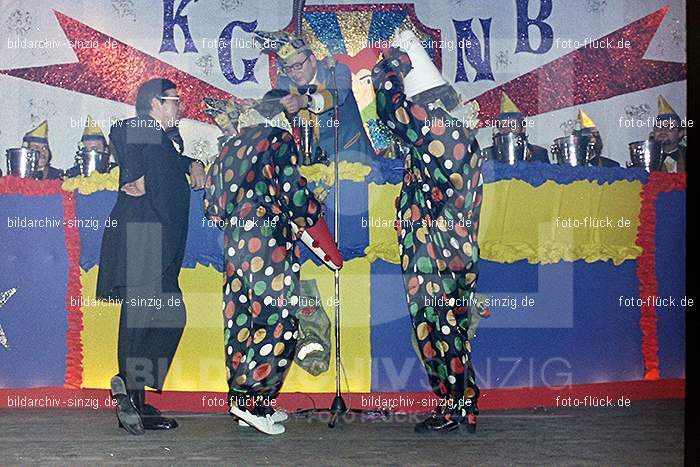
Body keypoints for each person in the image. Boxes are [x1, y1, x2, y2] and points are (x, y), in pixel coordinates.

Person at [203, 93, 342, 435]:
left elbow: (211, 207)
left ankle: (247, 400)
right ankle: (253, 401)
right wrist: (313, 209)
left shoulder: (230, 145)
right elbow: (294, 194)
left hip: (237, 243)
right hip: (268, 244)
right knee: (279, 321)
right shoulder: (278, 139)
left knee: (241, 320)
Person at [372, 31, 487, 434]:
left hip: (436, 254)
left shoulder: (438, 129)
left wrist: (392, 64)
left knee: (440, 329)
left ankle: (458, 407)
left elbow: (389, 109)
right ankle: (458, 403)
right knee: (443, 329)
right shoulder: (452, 134)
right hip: (444, 250)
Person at [96, 78, 206, 435]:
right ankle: (130, 393)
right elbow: (123, 134)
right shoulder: (140, 128)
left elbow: (167, 161)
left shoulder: (166, 142)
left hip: (157, 243)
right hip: (143, 239)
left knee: (156, 319)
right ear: (155, 104)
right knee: (145, 319)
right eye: (175, 101)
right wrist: (138, 174)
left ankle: (132, 394)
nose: (180, 107)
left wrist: (193, 162)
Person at [253, 30, 373, 165]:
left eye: (298, 66)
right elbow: (272, 102)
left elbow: (336, 95)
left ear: (312, 60)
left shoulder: (335, 69)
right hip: (314, 161)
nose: (294, 73)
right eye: (288, 69)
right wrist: (257, 106)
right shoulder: (285, 82)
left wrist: (303, 101)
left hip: (353, 155)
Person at [481, 92, 549, 163]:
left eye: (512, 125)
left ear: (523, 129)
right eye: (502, 126)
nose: (506, 130)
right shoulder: (488, 155)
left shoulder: (538, 154)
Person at [653, 95, 686, 173]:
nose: (663, 131)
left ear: (680, 133)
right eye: (658, 127)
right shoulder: (648, 159)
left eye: (669, 127)